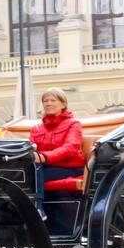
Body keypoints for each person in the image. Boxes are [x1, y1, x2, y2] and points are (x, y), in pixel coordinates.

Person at [29, 88, 85, 220]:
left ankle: (37, 207)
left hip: (70, 167)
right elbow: (31, 149)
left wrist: (44, 157)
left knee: (35, 170)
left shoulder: (74, 124)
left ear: (63, 104)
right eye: (45, 101)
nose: (48, 103)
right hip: (44, 167)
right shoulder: (36, 128)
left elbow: (70, 148)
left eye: (53, 100)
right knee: (25, 171)